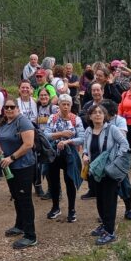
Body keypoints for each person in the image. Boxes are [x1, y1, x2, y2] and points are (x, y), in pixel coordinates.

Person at [81, 103, 129, 246]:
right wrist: (84, 155)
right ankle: (104, 224)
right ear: (90, 116)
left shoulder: (112, 129)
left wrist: (115, 159)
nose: (98, 114)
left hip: (108, 172)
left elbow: (125, 144)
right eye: (94, 112)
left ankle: (110, 232)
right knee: (100, 200)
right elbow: (85, 147)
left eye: (100, 112)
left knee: (109, 201)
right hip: (95, 171)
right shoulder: (88, 131)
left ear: (105, 115)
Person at [0, 99, 37, 249]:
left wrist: (11, 158)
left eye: (12, 107)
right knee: (16, 197)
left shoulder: (23, 122)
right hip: (9, 167)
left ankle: (30, 235)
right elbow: (0, 139)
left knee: (25, 199)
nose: (9, 109)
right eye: (6, 107)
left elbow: (28, 144)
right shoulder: (4, 122)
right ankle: (20, 225)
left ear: (17, 108)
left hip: (23, 166)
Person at [43, 95, 84, 223]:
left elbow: (82, 138)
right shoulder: (53, 117)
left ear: (71, 106)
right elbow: (45, 135)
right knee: (53, 181)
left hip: (70, 153)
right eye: (63, 104)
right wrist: (61, 134)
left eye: (68, 104)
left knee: (70, 180)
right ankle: (55, 207)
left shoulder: (76, 119)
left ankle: (72, 209)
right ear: (59, 105)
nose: (65, 107)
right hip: (54, 153)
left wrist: (67, 141)